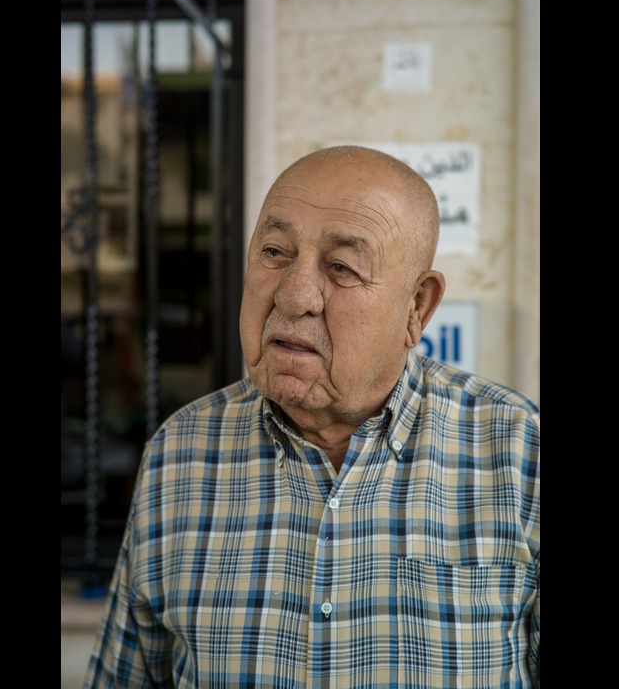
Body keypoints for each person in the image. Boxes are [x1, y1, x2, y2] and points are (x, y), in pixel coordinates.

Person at [83, 144, 540, 688]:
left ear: (418, 307)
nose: (295, 295)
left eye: (343, 268)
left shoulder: (518, 454)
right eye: (274, 252)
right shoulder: (180, 451)